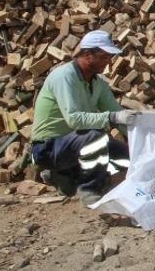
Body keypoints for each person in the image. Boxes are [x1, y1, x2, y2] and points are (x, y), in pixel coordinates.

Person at [30, 30, 137, 204]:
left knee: (131, 155)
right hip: (48, 148)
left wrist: (138, 137)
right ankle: (89, 189)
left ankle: (65, 175)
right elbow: (74, 119)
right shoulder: (64, 77)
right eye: (104, 57)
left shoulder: (97, 83)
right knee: (96, 137)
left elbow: (116, 114)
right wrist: (113, 117)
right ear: (88, 55)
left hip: (75, 144)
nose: (108, 61)